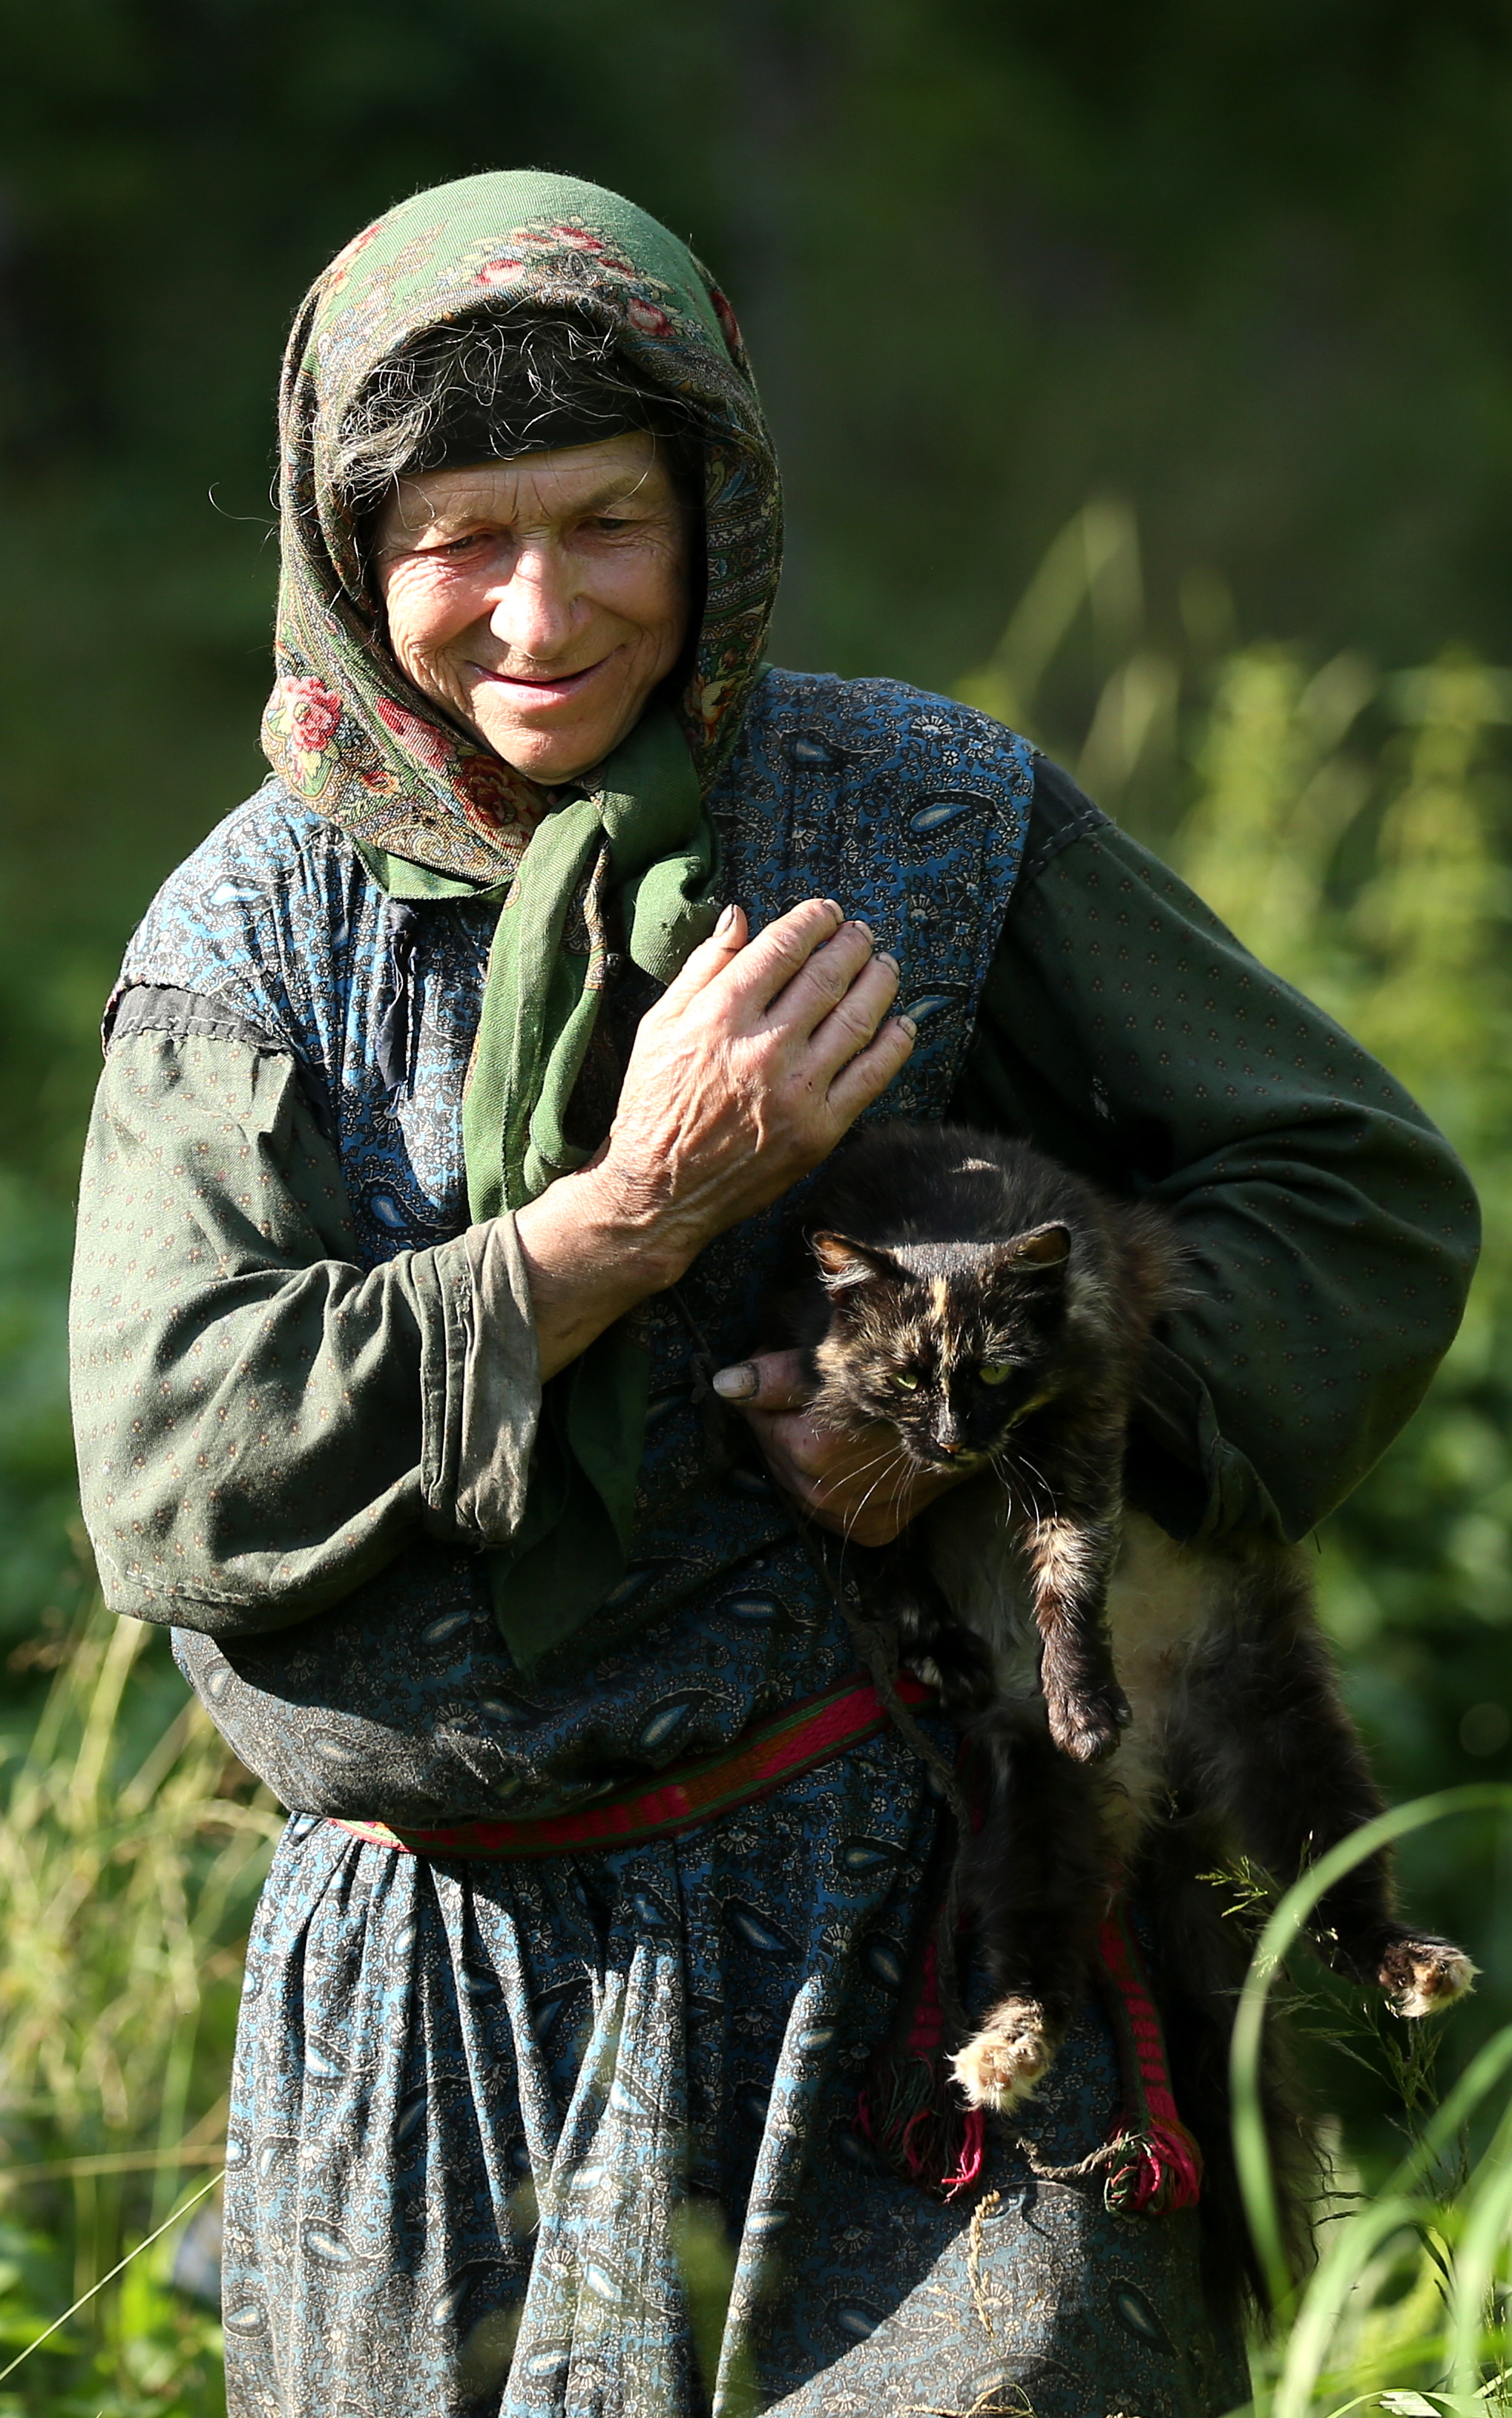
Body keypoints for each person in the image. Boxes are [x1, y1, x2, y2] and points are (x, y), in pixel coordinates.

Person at [69, 170, 1478, 2418]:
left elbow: (1353, 1198)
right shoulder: (247, 947)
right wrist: (620, 1220)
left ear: (711, 507)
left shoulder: (921, 819)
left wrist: (971, 1403)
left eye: (607, 522)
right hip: (447, 2021)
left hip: (914, 1955)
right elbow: (177, 1478)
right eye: (455, 541)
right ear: (349, 564)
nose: (538, 611)